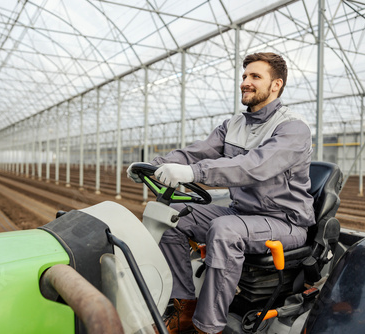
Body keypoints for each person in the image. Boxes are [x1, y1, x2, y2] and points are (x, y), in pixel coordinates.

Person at [127, 52, 315, 334]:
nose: (245, 82)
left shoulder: (292, 128)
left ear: (276, 85)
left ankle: (208, 327)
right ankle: (184, 307)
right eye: (244, 76)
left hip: (283, 221)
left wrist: (195, 173)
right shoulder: (233, 125)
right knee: (172, 215)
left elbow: (254, 166)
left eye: (255, 76)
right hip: (242, 212)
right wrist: (154, 166)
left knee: (224, 229)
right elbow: (197, 152)